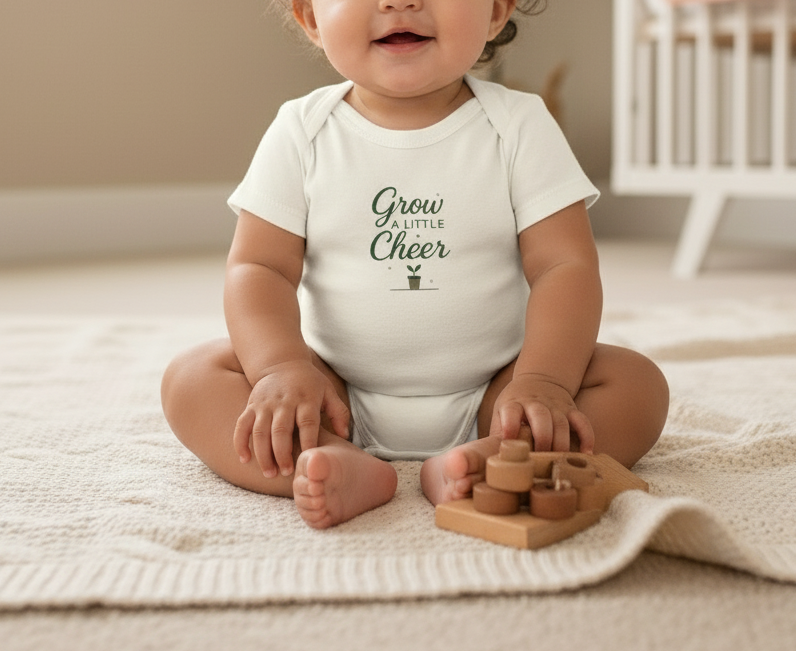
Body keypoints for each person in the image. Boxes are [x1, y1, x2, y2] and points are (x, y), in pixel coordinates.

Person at [161, 0, 669, 530]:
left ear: (495, 11)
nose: (399, 2)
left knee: (637, 386)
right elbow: (259, 268)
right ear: (311, 17)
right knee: (192, 379)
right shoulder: (301, 131)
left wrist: (545, 381)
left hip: (499, 395)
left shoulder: (518, 125)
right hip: (332, 395)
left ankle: (492, 460)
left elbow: (564, 266)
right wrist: (280, 368)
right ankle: (335, 462)